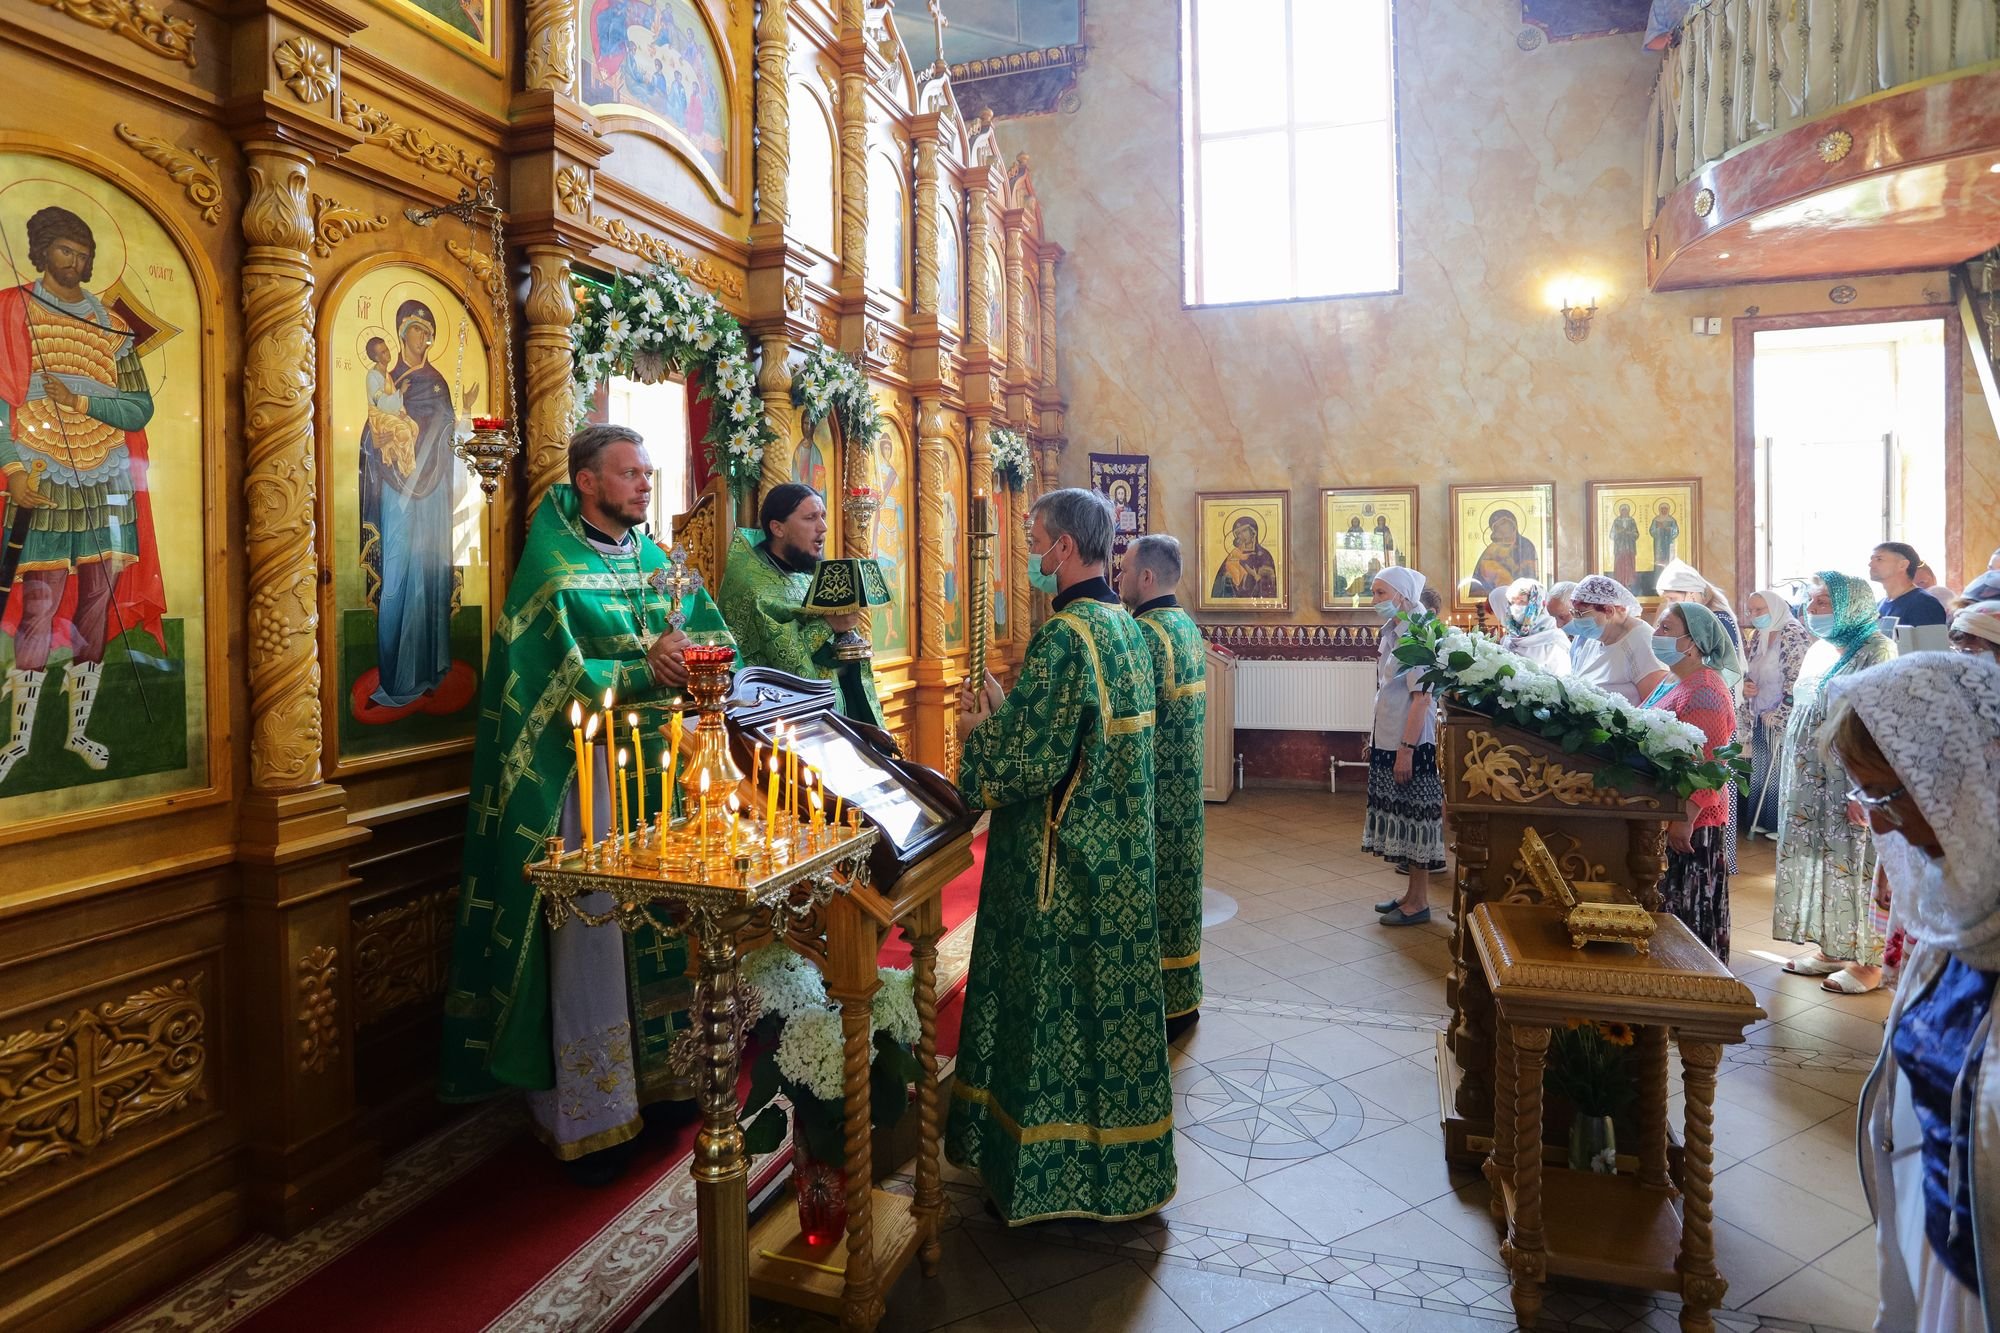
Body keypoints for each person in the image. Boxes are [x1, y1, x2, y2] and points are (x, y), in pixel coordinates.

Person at [438, 425, 733, 1177]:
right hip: (590, 781)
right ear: (587, 481)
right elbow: (546, 680)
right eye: (628, 473)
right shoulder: (552, 563)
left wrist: (692, 660)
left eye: (647, 472)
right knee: (595, 938)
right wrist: (645, 664)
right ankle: (597, 1110)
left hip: (660, 775)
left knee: (666, 927)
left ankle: (666, 1087)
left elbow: (714, 640)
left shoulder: (658, 561)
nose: (643, 484)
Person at [947, 487, 1174, 1225]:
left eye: (1036, 540)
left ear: (1066, 549)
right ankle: (1121, 1173)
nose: (1031, 556)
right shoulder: (1127, 628)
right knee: (1107, 1023)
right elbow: (1073, 741)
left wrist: (980, 734)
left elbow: (1029, 763)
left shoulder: (1065, 637)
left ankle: (1045, 1176)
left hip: (1060, 869)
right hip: (1119, 866)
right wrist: (1009, 714)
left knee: (1057, 1016)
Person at [1826, 654, 2000, 1332]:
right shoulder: (1958, 908)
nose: (1885, 825)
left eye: (1890, 794)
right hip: (1944, 1254)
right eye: (1867, 798)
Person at [0, 206, 167, 785]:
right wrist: (11, 468)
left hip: (107, 479)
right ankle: (18, 738)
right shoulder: (13, 311)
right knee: (41, 602)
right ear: (41, 251)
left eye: (85, 252)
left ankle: (77, 731)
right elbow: (1, 399)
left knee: (98, 600)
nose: (78, 262)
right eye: (67, 250)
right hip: (42, 475)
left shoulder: (112, 329)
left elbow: (138, 408)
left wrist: (81, 402)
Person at [1771, 572, 1898, 995]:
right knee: (1822, 859)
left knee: (1856, 862)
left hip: (1849, 778)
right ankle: (1833, 946)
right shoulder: (1822, 650)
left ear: (1853, 605)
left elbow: (1877, 726)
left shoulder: (1878, 649)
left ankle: (1869, 961)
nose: (1812, 610)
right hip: (1812, 781)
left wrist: (1863, 789)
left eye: (1824, 602)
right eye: (1810, 601)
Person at [1119, 533, 1206, 1031]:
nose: (1120, 577)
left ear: (1146, 578)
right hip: (1184, 798)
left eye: (1126, 569)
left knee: (1155, 901)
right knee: (1180, 898)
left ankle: (1160, 1008)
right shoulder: (1184, 626)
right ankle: (1182, 997)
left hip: (1151, 797)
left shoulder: (1145, 635)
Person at [360, 299, 460, 712]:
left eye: (429, 331)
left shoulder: (436, 383)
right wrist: (376, 443)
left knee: (429, 572)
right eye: (418, 330)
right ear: (402, 335)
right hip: (396, 489)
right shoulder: (385, 382)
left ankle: (429, 671)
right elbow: (368, 441)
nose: (425, 338)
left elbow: (452, 435)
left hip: (432, 489)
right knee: (398, 575)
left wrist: (453, 424)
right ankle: (396, 680)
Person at [718, 482, 885, 727]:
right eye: (810, 518)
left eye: (823, 517)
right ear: (777, 528)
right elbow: (778, 662)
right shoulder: (751, 587)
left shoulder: (810, 575)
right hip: (782, 721)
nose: (823, 527)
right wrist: (829, 624)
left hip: (835, 708)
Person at [1645, 603, 1741, 959]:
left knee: (1689, 904)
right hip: (1667, 810)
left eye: (1667, 629)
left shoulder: (1705, 689)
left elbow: (1710, 763)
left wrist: (1684, 818)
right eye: (1658, 627)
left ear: (1695, 642)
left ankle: (1694, 977)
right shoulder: (1674, 680)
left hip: (1692, 820)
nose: (1657, 635)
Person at [1366, 567, 1445, 927]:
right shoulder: (1395, 631)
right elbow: (1387, 691)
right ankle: (1411, 895)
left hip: (1411, 741)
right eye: (1374, 593)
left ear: (1401, 595)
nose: (1375, 601)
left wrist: (1406, 749)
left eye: (1381, 593)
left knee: (1416, 819)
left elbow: (1421, 700)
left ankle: (1420, 903)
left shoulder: (1418, 633)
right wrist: (1374, 736)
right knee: (1404, 817)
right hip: (1393, 737)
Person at [1738, 587, 1810, 838]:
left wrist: (1782, 711)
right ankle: (1765, 821)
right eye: (1751, 610)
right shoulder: (1759, 634)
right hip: (1760, 708)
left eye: (1760, 609)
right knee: (1762, 767)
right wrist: (1746, 686)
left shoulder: (1793, 632)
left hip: (1781, 711)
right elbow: (1752, 668)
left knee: (1782, 769)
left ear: (1775, 608)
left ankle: (1782, 824)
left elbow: (1797, 675)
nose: (1755, 614)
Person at [1567, 574, 1668, 704]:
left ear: (1609, 611)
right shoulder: (1594, 637)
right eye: (1573, 613)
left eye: (1581, 614)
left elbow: (1656, 702)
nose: (1576, 620)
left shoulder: (1641, 640)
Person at [1489, 576, 1570, 674]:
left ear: (1537, 604)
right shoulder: (1510, 639)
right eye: (1512, 602)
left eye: (1522, 601)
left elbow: (1563, 682)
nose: (1516, 607)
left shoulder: (1555, 643)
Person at [1873, 541, 1949, 628]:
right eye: (1872, 559)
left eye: (1879, 559)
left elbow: (1931, 641)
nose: (1871, 564)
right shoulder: (1878, 606)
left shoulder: (1924, 604)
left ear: (1902, 565)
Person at [1467, 507, 1538, 596]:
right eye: (1498, 529)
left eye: (1505, 525)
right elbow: (1478, 581)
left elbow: (1530, 575)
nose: (1503, 530)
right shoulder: (1491, 549)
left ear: (1513, 526)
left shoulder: (1526, 545)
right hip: (1495, 593)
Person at [1211, 514, 1278, 599]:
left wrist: (1255, 576)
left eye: (1244, 531)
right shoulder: (1233, 554)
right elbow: (1219, 584)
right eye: (1238, 533)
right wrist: (1228, 578)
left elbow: (1270, 587)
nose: (1241, 535)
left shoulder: (1264, 555)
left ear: (1253, 531)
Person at [1548, 579, 1603, 676]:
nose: (1558, 625)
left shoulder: (1600, 637)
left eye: (1562, 617)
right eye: (1554, 618)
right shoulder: (1579, 636)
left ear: (1578, 609)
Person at [1610, 503, 1640, 588]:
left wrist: (1629, 533)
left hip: (1629, 547)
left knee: (1629, 564)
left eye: (1626, 510)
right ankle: (1619, 582)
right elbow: (1612, 535)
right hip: (1619, 548)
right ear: (1620, 511)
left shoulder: (1632, 521)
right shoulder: (1616, 521)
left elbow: (1636, 534)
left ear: (1628, 511)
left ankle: (1629, 583)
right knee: (1620, 564)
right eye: (1623, 510)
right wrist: (1619, 532)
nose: (1624, 512)